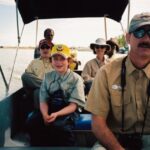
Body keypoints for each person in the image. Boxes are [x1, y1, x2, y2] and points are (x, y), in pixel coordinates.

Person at [85, 12, 150, 150]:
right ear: (128, 38)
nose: (146, 38)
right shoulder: (106, 73)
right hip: (114, 138)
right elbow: (97, 124)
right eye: (139, 32)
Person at [27, 44, 85, 146]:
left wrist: (57, 114)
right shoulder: (47, 77)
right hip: (50, 108)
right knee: (32, 122)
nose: (58, 62)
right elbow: (43, 100)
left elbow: (73, 105)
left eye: (62, 59)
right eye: (55, 59)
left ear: (69, 61)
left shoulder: (76, 79)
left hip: (69, 111)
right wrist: (45, 114)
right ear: (51, 61)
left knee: (60, 126)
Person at [21, 39, 53, 109]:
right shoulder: (33, 62)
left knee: (37, 91)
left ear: (51, 49)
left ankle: (38, 114)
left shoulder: (56, 61)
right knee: (24, 76)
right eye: (42, 47)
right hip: (37, 90)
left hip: (52, 92)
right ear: (39, 50)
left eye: (47, 47)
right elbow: (27, 79)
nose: (45, 49)